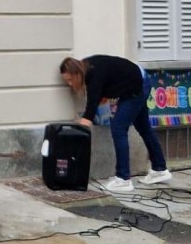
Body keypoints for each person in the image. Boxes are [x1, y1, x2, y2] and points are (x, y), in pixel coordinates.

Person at [59, 55, 172, 193]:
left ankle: (123, 179)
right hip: (139, 81)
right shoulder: (88, 67)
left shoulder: (93, 74)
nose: (70, 84)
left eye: (70, 80)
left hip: (137, 87)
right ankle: (160, 169)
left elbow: (92, 105)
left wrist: (82, 125)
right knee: (143, 127)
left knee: (118, 128)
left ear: (77, 73)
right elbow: (103, 86)